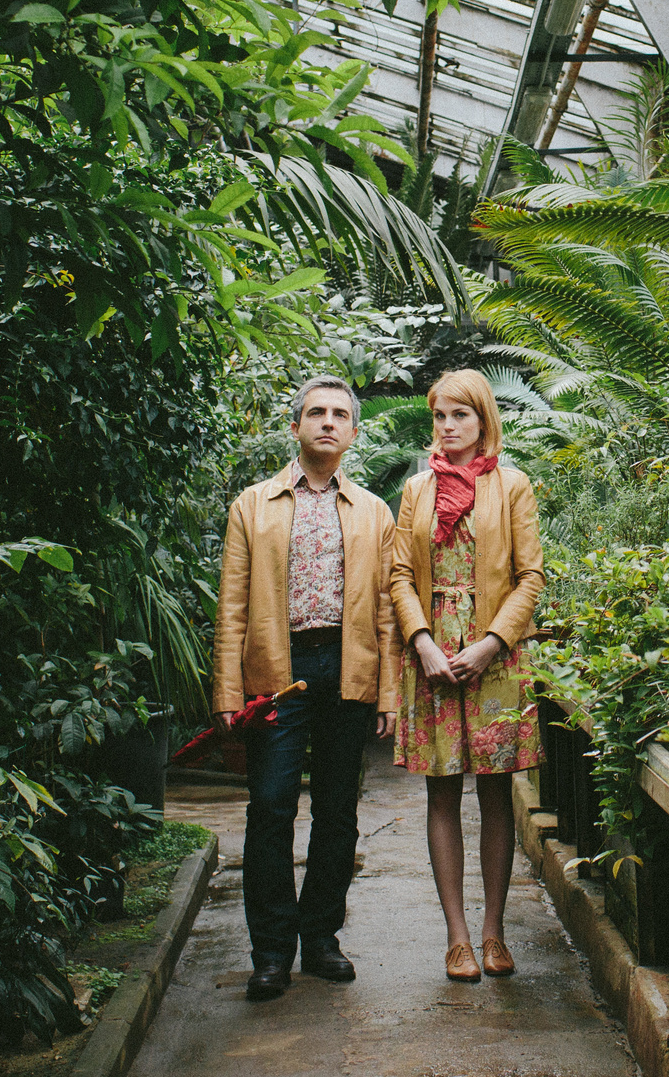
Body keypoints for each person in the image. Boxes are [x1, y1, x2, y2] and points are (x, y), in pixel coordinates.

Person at [214, 376, 399, 1003]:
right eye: (315, 413)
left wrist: (390, 694)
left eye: (340, 414)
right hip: (277, 674)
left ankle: (321, 938)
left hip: (346, 672)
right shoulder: (253, 505)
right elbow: (232, 608)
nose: (328, 422)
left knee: (338, 811)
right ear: (295, 427)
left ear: (352, 431)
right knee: (269, 807)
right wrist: (226, 693)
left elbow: (385, 613)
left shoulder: (374, 511)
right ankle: (270, 952)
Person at [388, 368, 546, 983]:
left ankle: (494, 933)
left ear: (483, 422)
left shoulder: (512, 486)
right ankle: (457, 937)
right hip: (431, 658)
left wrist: (489, 644)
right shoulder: (417, 490)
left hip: (495, 655)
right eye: (440, 417)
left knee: (496, 793)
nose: (448, 427)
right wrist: (422, 640)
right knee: (442, 792)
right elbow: (399, 574)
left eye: (460, 416)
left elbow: (530, 576)